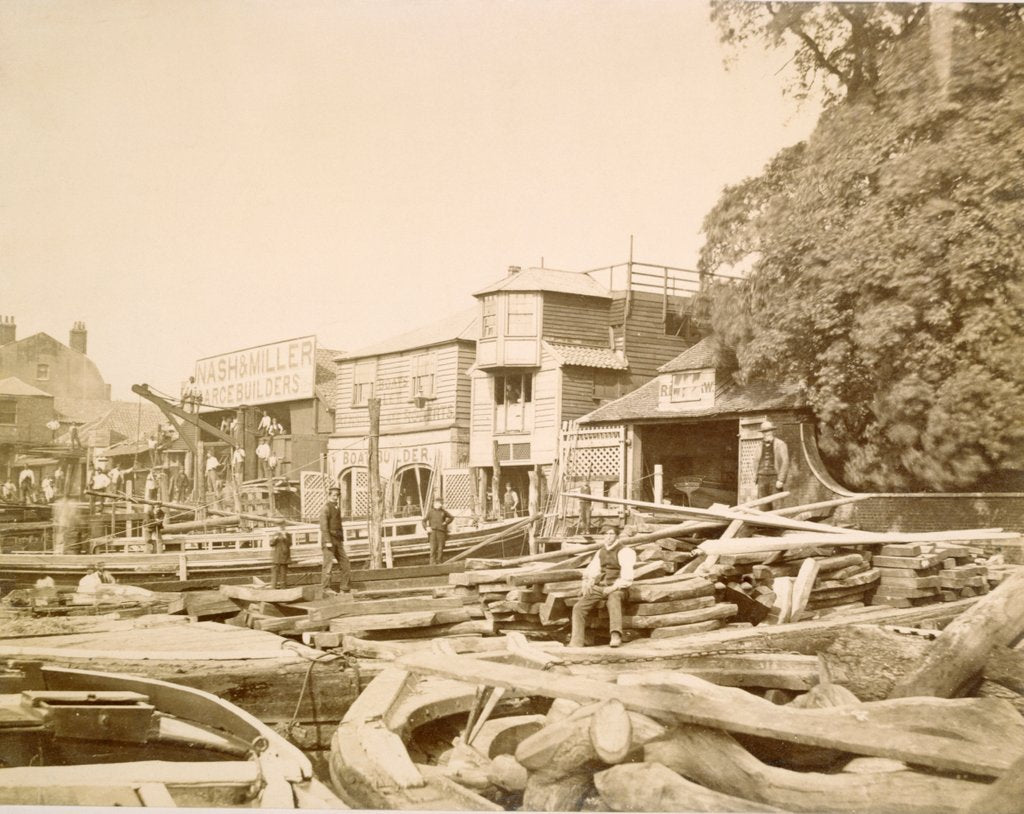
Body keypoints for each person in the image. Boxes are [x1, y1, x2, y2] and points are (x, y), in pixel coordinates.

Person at [569, 521, 638, 649]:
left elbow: (627, 577)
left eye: (611, 534)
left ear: (616, 535)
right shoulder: (601, 551)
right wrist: (587, 581)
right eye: (606, 534)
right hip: (602, 586)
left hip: (619, 587)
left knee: (613, 599)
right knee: (578, 607)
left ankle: (615, 635)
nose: (608, 536)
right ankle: (576, 641)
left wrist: (613, 587)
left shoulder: (625, 551)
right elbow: (593, 569)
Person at [320, 486, 351, 595]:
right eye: (333, 495)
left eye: (337, 495)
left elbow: (338, 524)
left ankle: (344, 588)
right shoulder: (326, 508)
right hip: (329, 540)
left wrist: (341, 539)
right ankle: (326, 588)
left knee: (346, 563)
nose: (335, 497)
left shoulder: (337, 508)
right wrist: (328, 541)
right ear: (329, 496)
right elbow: (324, 527)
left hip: (338, 540)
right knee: (328, 565)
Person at [756, 420, 790, 510]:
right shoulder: (759, 445)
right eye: (764, 432)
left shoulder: (781, 444)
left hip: (774, 478)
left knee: (777, 505)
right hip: (761, 478)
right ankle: (763, 524)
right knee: (762, 505)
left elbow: (785, 462)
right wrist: (756, 477)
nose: (766, 433)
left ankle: (776, 524)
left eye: (768, 431)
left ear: (772, 431)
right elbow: (755, 461)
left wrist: (781, 480)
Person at [424, 498, 454, 565]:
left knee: (440, 549)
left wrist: (446, 522)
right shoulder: (430, 512)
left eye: (439, 503)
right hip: (433, 533)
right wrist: (426, 527)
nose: (437, 505)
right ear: (434, 504)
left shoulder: (443, 512)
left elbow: (452, 517)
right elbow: (423, 521)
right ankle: (432, 564)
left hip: (441, 532)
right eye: (436, 503)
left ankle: (440, 563)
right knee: (433, 549)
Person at [269, 520, 291, 589]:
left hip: (284, 558)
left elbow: (290, 544)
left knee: (283, 574)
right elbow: (271, 544)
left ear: (285, 526)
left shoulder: (288, 535)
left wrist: (285, 537)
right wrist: (275, 538)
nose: (282, 527)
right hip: (276, 557)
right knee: (275, 574)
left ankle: (283, 588)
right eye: (280, 526)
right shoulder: (275, 534)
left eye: (283, 526)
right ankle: (273, 588)